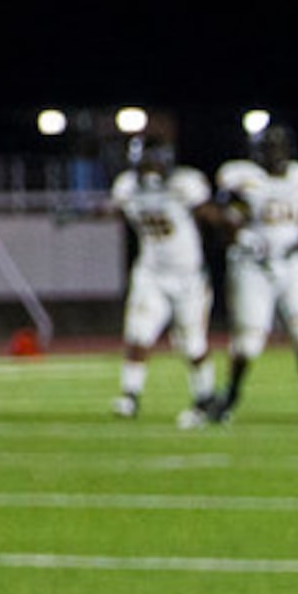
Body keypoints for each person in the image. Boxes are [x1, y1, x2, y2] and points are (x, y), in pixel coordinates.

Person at [211, 126, 298, 423]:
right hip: (253, 266)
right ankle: (230, 396)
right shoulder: (241, 177)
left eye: (277, 148)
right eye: (267, 148)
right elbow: (226, 218)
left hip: (292, 262)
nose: (273, 154)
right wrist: (240, 234)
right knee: (249, 340)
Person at [108, 128, 223, 425]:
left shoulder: (184, 183)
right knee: (138, 333)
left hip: (189, 277)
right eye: (143, 161)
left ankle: (205, 398)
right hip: (152, 273)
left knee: (192, 342)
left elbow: (209, 214)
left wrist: (223, 216)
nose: (148, 167)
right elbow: (112, 210)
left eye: (152, 161)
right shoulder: (128, 188)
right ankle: (130, 396)